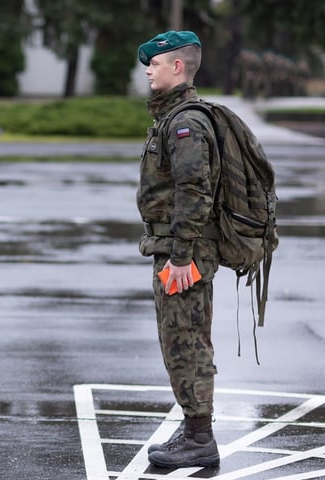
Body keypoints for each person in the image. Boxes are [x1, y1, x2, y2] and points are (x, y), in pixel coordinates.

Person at [136, 31, 222, 469]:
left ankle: (200, 438)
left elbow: (195, 190)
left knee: (185, 343)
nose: (147, 69)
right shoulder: (173, 116)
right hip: (176, 247)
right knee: (181, 340)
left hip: (183, 253)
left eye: (154, 62)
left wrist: (181, 257)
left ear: (177, 67)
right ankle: (193, 429)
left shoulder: (186, 123)